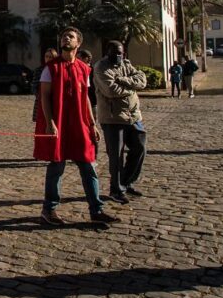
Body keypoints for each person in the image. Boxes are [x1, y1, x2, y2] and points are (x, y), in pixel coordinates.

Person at [35, 28, 117, 226]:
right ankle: (49, 210)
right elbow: (44, 96)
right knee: (57, 166)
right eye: (64, 36)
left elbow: (85, 98)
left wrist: (92, 123)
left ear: (78, 43)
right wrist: (50, 122)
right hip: (59, 124)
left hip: (79, 124)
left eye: (70, 37)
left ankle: (96, 210)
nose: (66, 38)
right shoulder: (50, 68)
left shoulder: (83, 68)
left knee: (88, 166)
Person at [93, 41, 148, 204]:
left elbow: (142, 80)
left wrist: (123, 80)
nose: (118, 56)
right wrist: (132, 88)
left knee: (140, 148)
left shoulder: (126, 64)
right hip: (113, 118)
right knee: (116, 156)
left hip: (133, 116)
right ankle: (116, 189)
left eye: (121, 53)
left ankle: (126, 181)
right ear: (107, 52)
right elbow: (111, 90)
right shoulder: (101, 68)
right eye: (115, 53)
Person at [32, 48, 58, 122]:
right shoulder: (39, 70)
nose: (48, 59)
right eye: (46, 56)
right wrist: (41, 96)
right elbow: (34, 87)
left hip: (55, 100)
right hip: (41, 100)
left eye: (50, 57)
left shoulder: (58, 69)